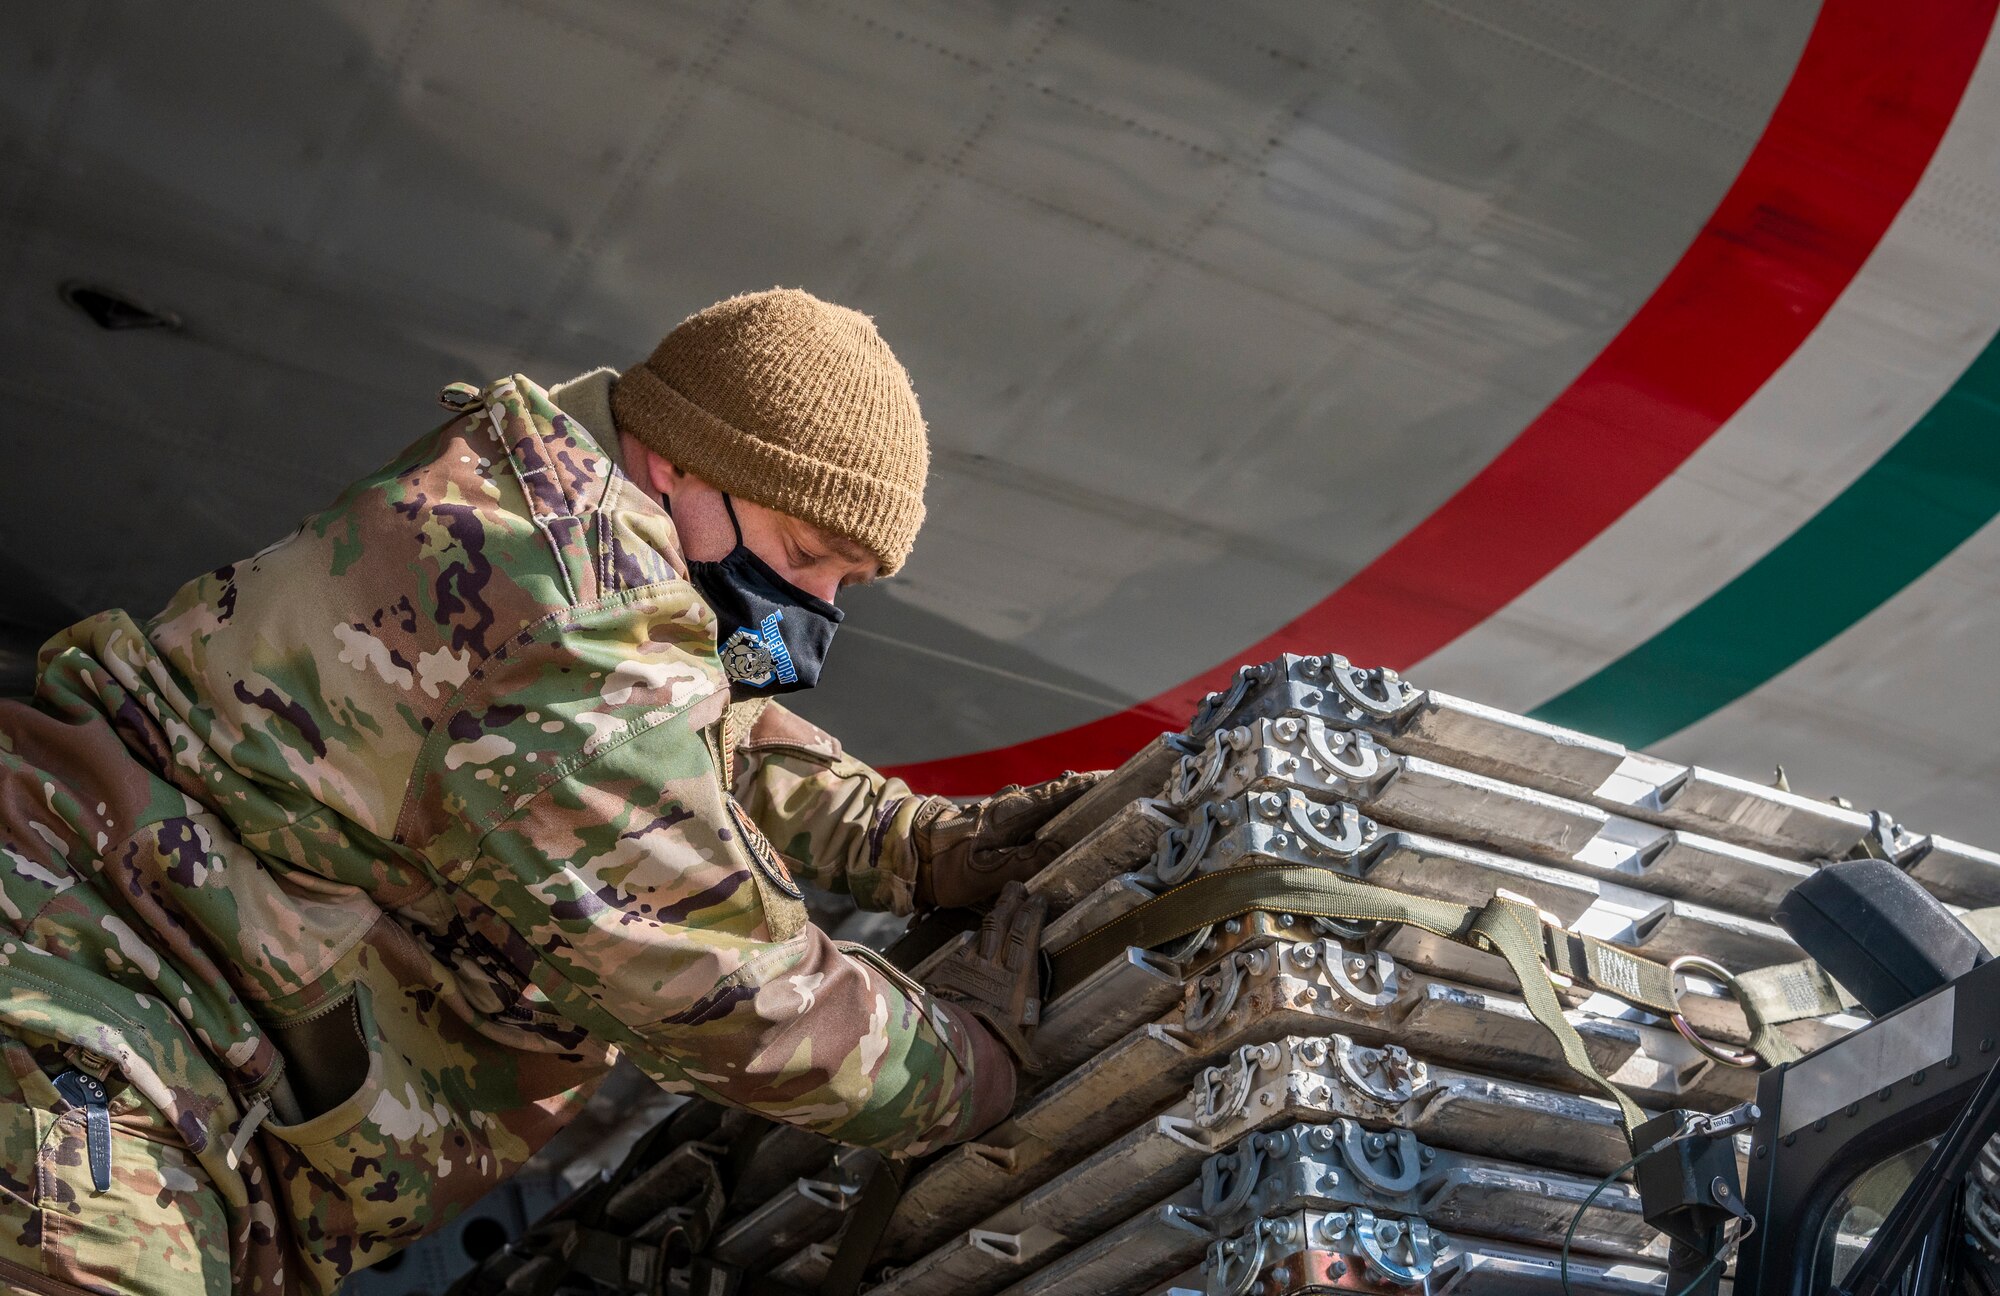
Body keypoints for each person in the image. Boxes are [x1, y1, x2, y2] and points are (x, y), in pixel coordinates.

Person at [0, 288, 1100, 1295]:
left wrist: (913, 844)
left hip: (104, 1025)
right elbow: (717, 990)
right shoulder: (568, 620)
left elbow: (702, 736)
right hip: (97, 1076)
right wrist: (976, 1071)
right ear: (683, 463)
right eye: (801, 550)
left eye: (842, 585)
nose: (810, 605)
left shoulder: (545, 509)